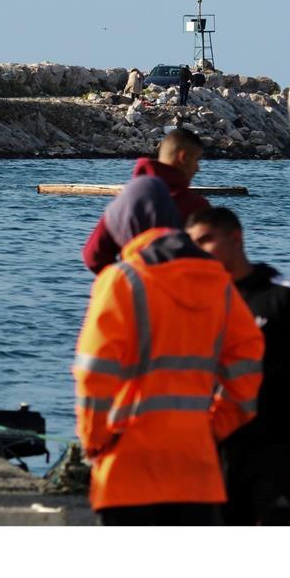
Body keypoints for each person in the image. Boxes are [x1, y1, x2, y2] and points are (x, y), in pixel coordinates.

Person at [72, 177, 264, 525]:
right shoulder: (219, 284)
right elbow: (248, 367)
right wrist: (213, 428)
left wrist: (95, 438)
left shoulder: (121, 280)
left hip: (128, 468)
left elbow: (94, 372)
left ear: (126, 225)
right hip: (197, 470)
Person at [185, 207, 290, 525]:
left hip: (276, 445)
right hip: (217, 447)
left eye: (206, 240)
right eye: (192, 244)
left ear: (235, 237)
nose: (198, 251)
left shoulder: (284, 294)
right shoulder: (201, 301)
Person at [82, 128, 210, 274]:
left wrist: (127, 280)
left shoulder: (124, 200)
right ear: (183, 157)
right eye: (197, 160)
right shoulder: (196, 206)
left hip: (131, 292)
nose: (198, 168)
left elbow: (93, 256)